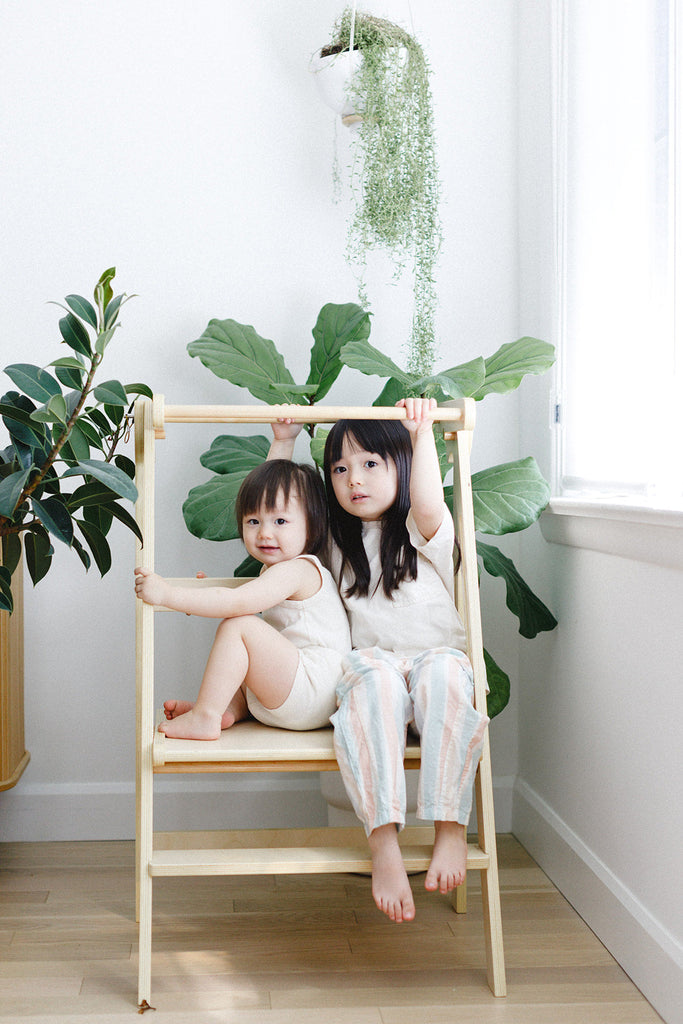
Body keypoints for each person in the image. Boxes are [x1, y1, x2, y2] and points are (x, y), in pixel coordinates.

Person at [269, 399, 489, 924]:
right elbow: (281, 520)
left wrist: (421, 432)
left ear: (401, 469)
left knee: (447, 680)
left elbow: (431, 501)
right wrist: (282, 442)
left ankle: (450, 830)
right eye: (340, 469)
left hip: (436, 658)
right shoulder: (334, 544)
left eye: (370, 464)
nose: (354, 480)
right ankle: (383, 841)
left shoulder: (422, 530)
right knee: (372, 686)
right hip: (376, 664)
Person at [134, 459, 351, 740]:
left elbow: (237, 602)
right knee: (240, 651)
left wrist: (170, 595)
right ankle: (226, 710)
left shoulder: (298, 570)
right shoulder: (274, 571)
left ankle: (206, 716)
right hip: (300, 693)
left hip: (314, 690)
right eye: (253, 521)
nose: (264, 533)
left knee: (238, 627)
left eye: (281, 521)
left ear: (313, 525)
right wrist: (200, 598)